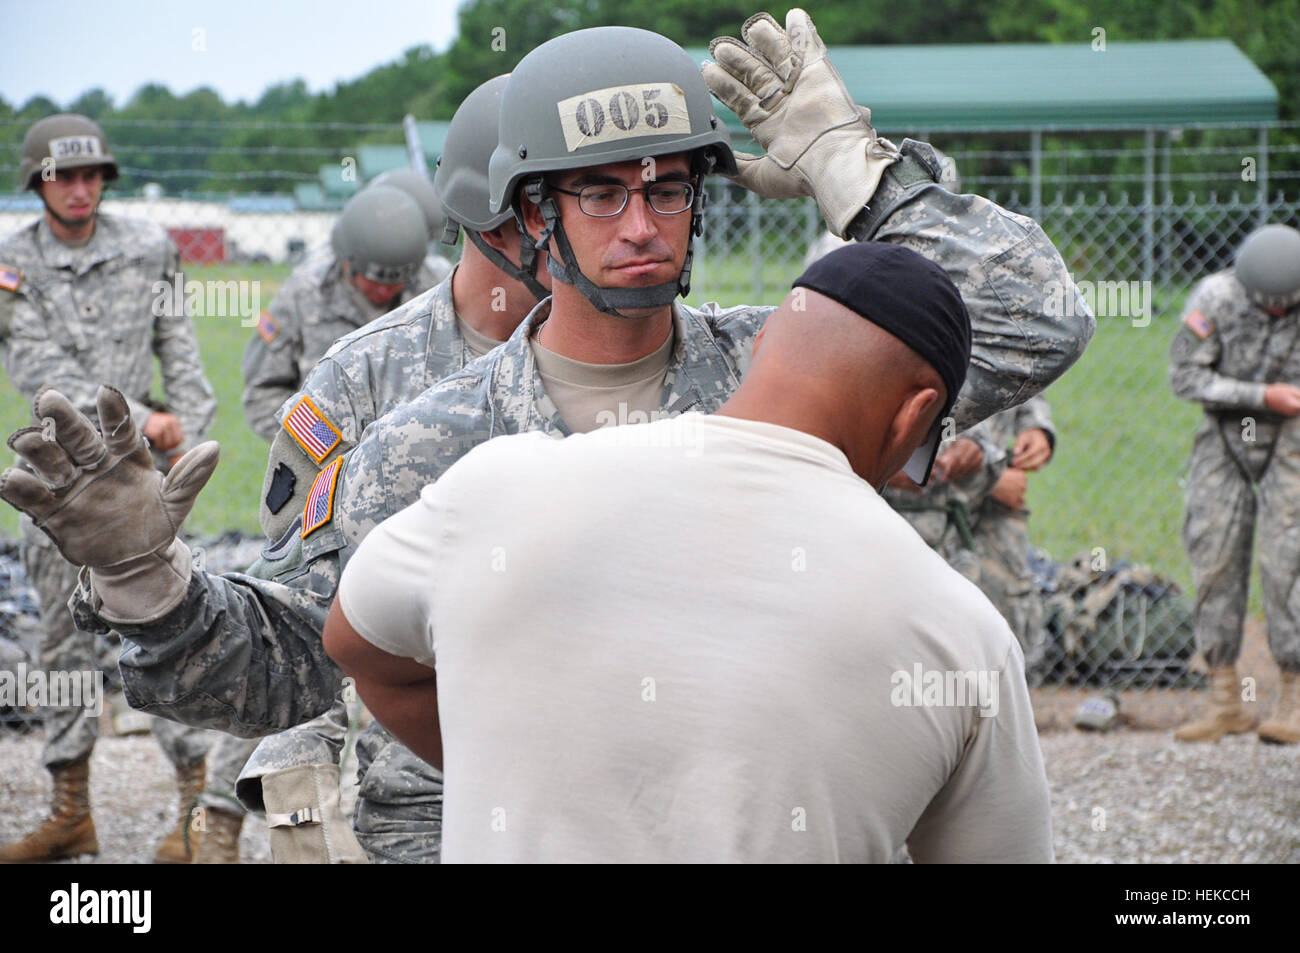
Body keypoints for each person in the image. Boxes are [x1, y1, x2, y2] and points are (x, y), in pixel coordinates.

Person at [2, 9, 1092, 789]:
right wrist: (145, 581)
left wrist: (859, 176)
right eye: (602, 189)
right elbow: (294, 663)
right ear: (528, 216)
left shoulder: (783, 381)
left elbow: (1032, 321)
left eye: (670, 187)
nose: (641, 223)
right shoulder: (423, 438)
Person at [323, 241, 1054, 863]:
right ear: (915, 413)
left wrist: (535, 773)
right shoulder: (964, 634)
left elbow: (355, 642)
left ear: (765, 344)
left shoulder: (498, 485)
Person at [236, 75, 550, 864]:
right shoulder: (364, 370)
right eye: (577, 198)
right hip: (419, 756)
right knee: (295, 745)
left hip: (579, 746)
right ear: (499, 218)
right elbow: (298, 602)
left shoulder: (661, 359)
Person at [0, 114, 219, 863]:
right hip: (61, 494)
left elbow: (179, 343)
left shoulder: (148, 250)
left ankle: (198, 806)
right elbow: (40, 371)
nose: (82, 189)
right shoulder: (10, 269)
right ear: (38, 182)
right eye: (66, 176)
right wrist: (141, 412)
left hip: (137, 490)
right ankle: (71, 812)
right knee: (62, 648)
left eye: (93, 174)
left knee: (165, 630)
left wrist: (187, 417)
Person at [1169, 222, 1300, 744]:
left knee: (1287, 559)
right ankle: (1226, 699)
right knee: (1214, 552)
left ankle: (1293, 694)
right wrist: (1262, 396)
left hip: (1293, 436)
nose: (1275, 312)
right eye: (1267, 304)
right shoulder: (1215, 298)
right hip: (1226, 434)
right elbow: (1185, 378)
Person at [239, 183, 444, 440]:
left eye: (395, 282)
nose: (384, 291)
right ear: (348, 263)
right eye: (375, 280)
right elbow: (263, 392)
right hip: (328, 459)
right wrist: (325, 444)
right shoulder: (304, 295)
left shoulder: (436, 286)